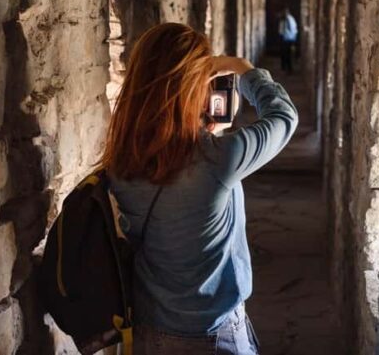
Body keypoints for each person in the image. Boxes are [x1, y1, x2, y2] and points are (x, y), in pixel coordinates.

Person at [96, 22, 298, 355]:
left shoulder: (120, 160)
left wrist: (204, 130)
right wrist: (242, 69)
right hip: (216, 335)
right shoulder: (218, 159)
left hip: (150, 331)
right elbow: (284, 117)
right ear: (194, 87)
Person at [277, 6, 298, 74]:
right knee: (286, 54)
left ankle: (288, 69)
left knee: (286, 54)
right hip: (288, 38)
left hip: (287, 39)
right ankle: (286, 69)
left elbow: (290, 30)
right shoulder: (289, 19)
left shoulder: (288, 19)